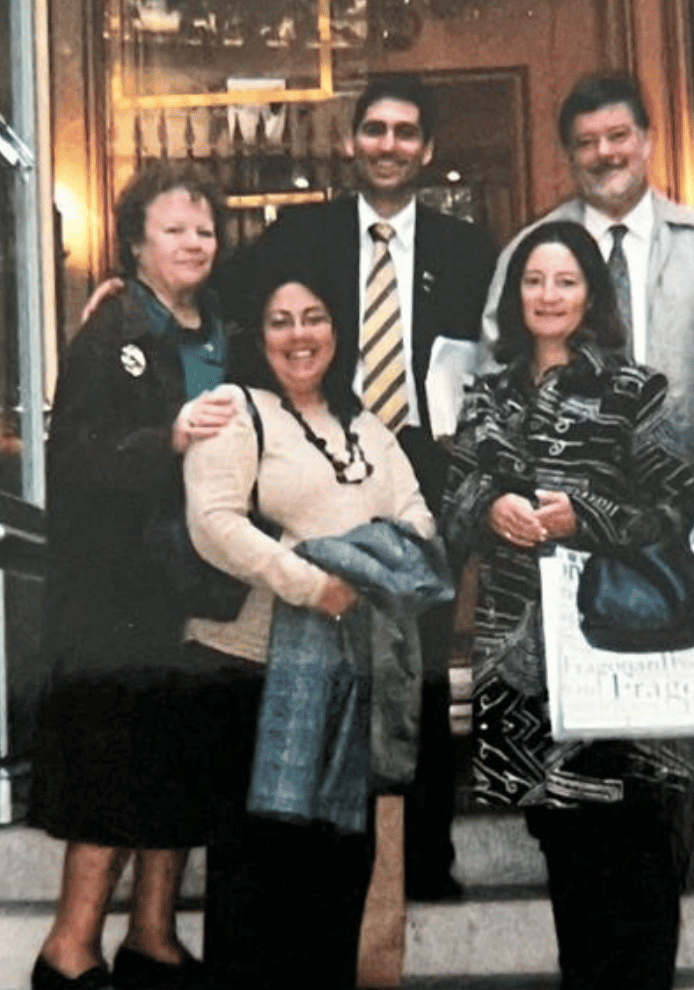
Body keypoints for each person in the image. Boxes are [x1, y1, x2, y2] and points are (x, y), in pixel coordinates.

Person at [215, 73, 498, 899]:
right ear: (352, 140)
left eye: (406, 132)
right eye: (374, 129)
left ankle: (425, 858)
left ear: (428, 149)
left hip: (422, 478)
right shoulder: (300, 234)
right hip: (318, 466)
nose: (388, 145)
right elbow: (230, 303)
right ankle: (328, 855)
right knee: (325, 665)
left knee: (420, 666)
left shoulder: (466, 249)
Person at [481, 71, 694, 886]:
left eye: (618, 137)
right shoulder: (530, 250)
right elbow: (498, 373)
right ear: (569, 153)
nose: (605, 154)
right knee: (583, 707)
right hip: (564, 524)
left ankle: (686, 859)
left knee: (690, 697)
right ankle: (592, 867)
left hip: (683, 514)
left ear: (646, 139)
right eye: (587, 142)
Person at [443, 221, 694, 990]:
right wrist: (489, 507)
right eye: (533, 280)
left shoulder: (634, 390)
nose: (547, 295)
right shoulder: (487, 393)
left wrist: (583, 516)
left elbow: (678, 505)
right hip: (523, 664)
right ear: (514, 294)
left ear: (591, 293)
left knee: (639, 856)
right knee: (565, 854)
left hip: (625, 651)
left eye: (564, 281)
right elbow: (452, 504)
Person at [181, 270, 447, 990]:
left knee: (338, 869)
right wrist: (312, 579)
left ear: (339, 331)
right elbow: (214, 524)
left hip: (355, 674)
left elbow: (419, 525)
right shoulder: (234, 410)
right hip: (250, 675)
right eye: (281, 320)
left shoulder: (369, 430)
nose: (301, 335)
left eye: (315, 317)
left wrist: (352, 565)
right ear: (255, 334)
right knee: (255, 877)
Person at [26, 161, 240, 990]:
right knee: (114, 778)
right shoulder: (111, 325)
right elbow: (73, 462)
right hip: (119, 595)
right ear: (136, 243)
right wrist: (170, 441)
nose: (194, 242)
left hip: (202, 586)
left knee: (179, 768)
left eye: (206, 229)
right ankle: (69, 952)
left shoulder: (223, 327)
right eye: (175, 229)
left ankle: (152, 940)